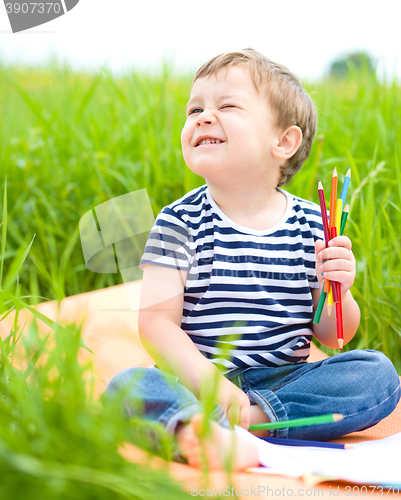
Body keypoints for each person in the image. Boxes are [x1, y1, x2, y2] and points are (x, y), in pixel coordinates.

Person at [103, 49, 401, 470]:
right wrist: (207, 384)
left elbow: (334, 337)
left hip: (283, 381)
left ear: (283, 141)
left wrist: (340, 290)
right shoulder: (178, 222)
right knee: (130, 385)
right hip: (196, 378)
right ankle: (199, 427)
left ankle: (244, 425)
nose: (203, 117)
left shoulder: (313, 225)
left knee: (378, 375)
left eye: (226, 106)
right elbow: (155, 324)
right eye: (195, 109)